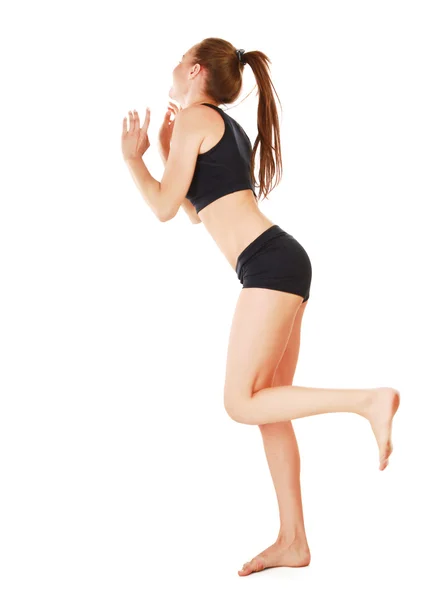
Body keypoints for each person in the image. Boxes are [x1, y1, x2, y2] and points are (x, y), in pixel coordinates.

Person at [121, 37, 400, 577]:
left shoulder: (198, 117)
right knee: (269, 406)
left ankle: (369, 400)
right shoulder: (213, 125)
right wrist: (161, 150)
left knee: (240, 402)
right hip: (277, 260)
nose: (174, 66)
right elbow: (194, 214)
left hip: (269, 264)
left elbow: (159, 207)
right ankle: (293, 540)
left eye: (181, 59)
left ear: (196, 70)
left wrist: (132, 160)